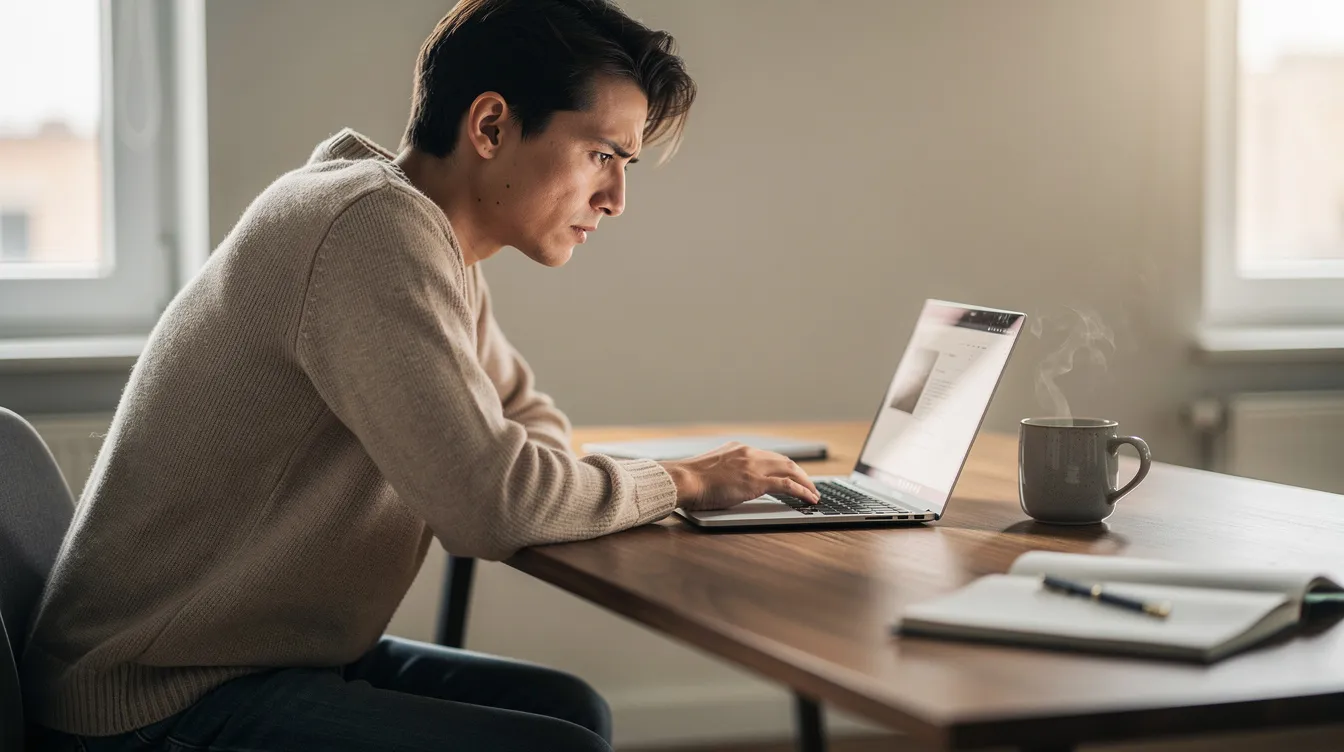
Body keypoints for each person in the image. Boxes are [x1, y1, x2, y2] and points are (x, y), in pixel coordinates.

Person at [21, 0, 821, 750]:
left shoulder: (426, 237)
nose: (616, 197)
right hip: (153, 698)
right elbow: (492, 505)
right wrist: (680, 481)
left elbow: (522, 416)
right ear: (492, 124)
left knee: (571, 712)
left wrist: (500, 467)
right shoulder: (369, 228)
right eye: (602, 154)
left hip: (257, 657)